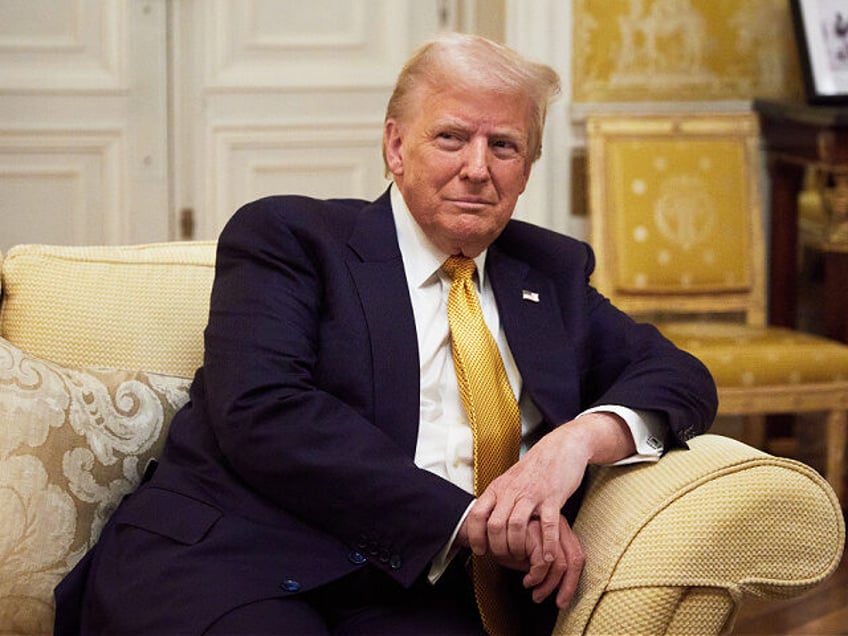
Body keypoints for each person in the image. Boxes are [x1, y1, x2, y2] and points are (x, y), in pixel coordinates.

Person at [54, 32, 717, 636]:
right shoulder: (291, 239)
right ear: (396, 147)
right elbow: (263, 412)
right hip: (233, 559)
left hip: (413, 594)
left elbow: (680, 378)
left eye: (504, 145)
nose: (478, 168)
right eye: (452, 138)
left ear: (527, 167)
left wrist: (574, 444)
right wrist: (472, 524)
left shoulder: (549, 273)